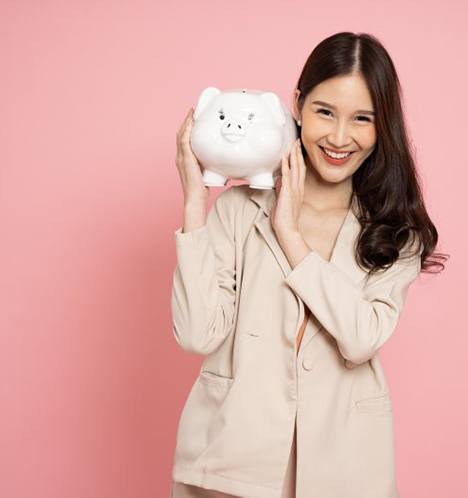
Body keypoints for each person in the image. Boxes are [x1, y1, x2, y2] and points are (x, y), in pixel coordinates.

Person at [169, 31, 447, 498]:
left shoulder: (395, 232)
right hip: (230, 464)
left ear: (383, 127)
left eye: (362, 119)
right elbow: (198, 334)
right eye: (325, 112)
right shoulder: (240, 209)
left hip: (345, 470)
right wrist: (195, 203)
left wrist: (291, 239)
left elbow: (360, 338)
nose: (340, 138)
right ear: (296, 104)